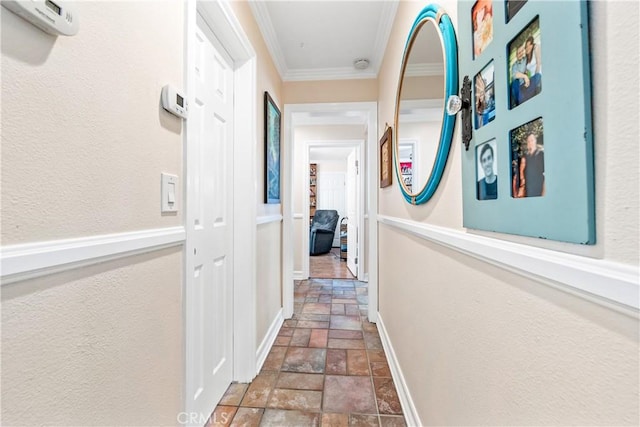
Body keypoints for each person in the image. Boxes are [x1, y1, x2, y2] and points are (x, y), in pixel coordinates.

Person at [522, 132, 545, 197]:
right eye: (528, 141)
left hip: (539, 191)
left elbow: (545, 175)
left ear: (535, 141)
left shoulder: (541, 155)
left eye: (532, 140)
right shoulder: (525, 157)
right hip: (528, 192)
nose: (530, 143)